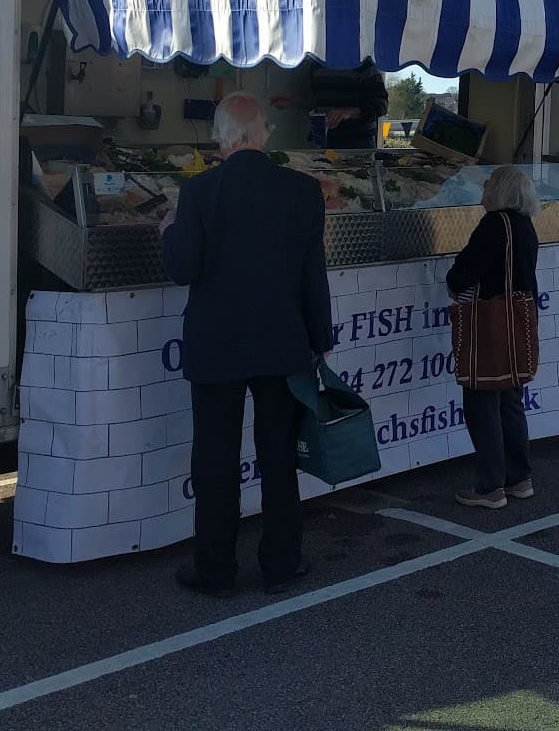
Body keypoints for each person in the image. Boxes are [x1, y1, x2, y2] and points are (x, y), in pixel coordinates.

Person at [159, 91, 332, 596]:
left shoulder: (199, 193)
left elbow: (182, 268)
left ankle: (215, 569)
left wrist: (169, 232)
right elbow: (311, 276)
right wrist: (320, 338)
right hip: (282, 342)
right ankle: (282, 562)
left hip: (217, 346)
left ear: (219, 137)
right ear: (264, 134)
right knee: (279, 455)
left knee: (215, 459)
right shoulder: (302, 192)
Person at [445, 165, 540, 510]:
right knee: (510, 401)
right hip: (519, 321)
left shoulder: (493, 225)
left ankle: (490, 487)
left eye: (488, 185)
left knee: (481, 401)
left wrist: (453, 282)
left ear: (500, 191)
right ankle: (519, 478)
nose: (483, 189)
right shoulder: (526, 226)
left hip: (488, 323)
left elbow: (463, 272)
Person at [270, 58, 388, 150]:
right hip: (323, 142)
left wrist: (350, 113)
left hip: (357, 144)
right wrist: (294, 101)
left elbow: (381, 105)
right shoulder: (316, 65)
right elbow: (318, 103)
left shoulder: (364, 66)